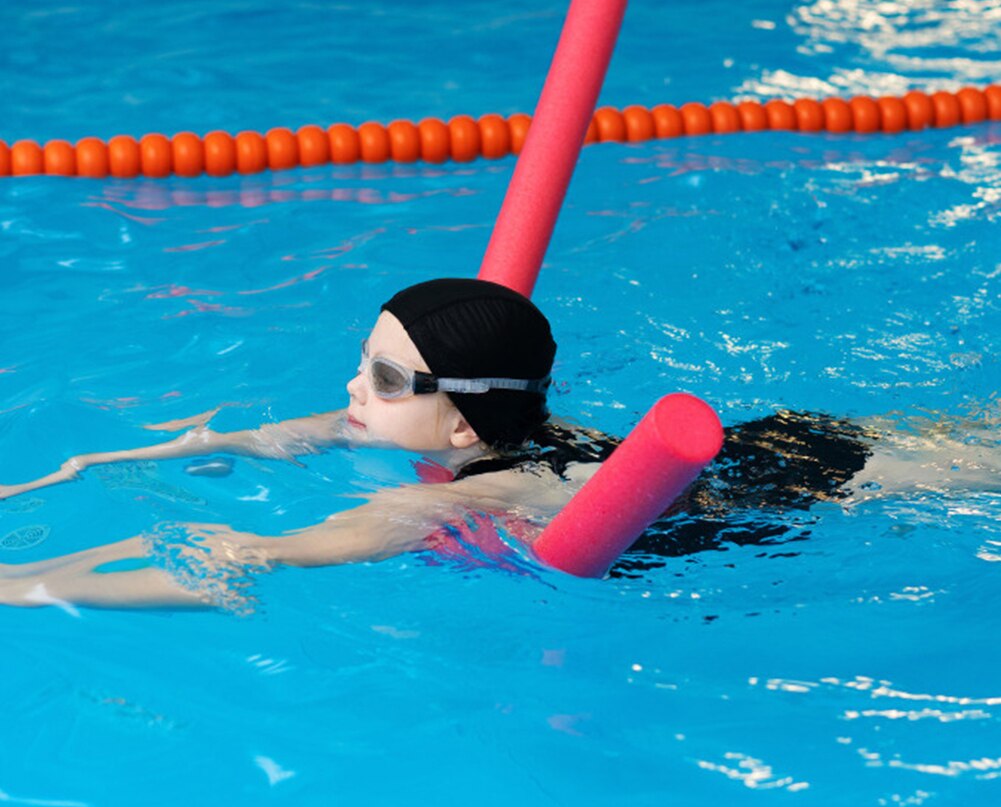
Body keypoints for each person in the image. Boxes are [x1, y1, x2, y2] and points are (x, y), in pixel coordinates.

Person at [0, 278, 996, 608]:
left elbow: (245, 555)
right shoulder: (485, 426)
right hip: (773, 439)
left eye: (380, 379)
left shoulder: (473, 493)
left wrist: (20, 584)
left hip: (790, 493)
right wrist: (111, 461)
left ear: (461, 425)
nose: (350, 389)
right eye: (361, 360)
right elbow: (295, 433)